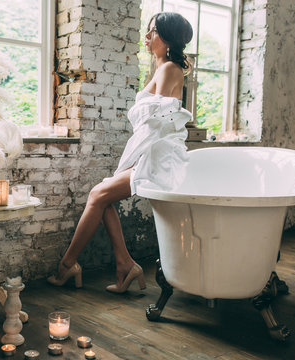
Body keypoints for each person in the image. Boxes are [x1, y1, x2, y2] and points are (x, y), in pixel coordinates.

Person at [47, 12, 194, 293]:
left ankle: (69, 265)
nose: (147, 36)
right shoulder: (163, 68)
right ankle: (124, 265)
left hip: (158, 157)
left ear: (167, 37)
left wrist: (131, 163)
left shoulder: (170, 69)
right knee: (102, 196)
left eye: (153, 31)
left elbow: (155, 124)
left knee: (98, 195)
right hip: (150, 152)